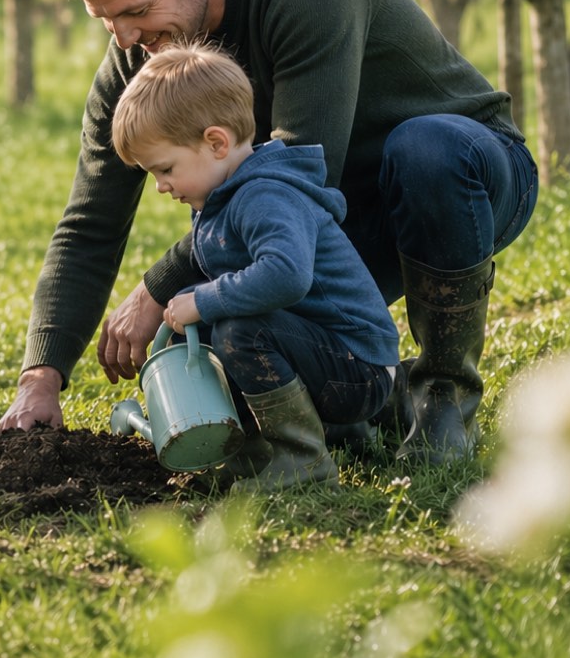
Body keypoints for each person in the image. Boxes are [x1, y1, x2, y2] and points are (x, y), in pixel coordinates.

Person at [0, 0, 539, 464]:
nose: (125, 39)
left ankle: (442, 400)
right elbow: (91, 216)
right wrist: (40, 377)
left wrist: (160, 285)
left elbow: (297, 180)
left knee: (423, 149)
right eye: (108, 22)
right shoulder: (142, 50)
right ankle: (371, 405)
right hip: (329, 216)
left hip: (464, 180)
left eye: (137, 11)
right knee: (228, 316)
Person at [110, 45, 399, 488]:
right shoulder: (222, 197)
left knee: (238, 331)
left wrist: (204, 300)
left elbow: (287, 275)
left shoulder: (266, 196)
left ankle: (303, 461)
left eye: (165, 169)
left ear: (216, 142)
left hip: (357, 369)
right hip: (317, 356)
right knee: (210, 335)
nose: (160, 186)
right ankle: (251, 452)